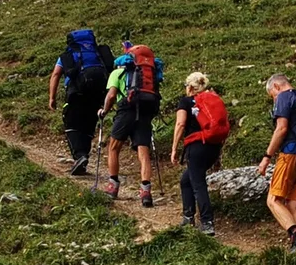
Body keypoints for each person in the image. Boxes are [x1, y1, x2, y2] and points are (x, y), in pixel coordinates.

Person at [255, 74, 296, 253]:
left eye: (272, 94)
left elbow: (281, 128)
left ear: (277, 86)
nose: (273, 99)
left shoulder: (283, 97)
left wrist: (267, 157)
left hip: (291, 153)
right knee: (293, 203)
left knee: (273, 200)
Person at [99, 45, 161, 205]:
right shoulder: (149, 75)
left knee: (114, 147)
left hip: (126, 110)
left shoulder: (118, 73)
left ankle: (113, 186)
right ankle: (146, 192)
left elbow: (112, 95)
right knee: (143, 151)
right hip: (146, 112)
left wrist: (104, 111)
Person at [168, 70, 224, 236]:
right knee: (186, 180)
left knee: (197, 183)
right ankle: (188, 216)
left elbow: (180, 124)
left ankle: (207, 222)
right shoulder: (212, 99)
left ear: (191, 87)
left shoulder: (186, 102)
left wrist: (174, 148)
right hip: (213, 146)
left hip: (195, 146)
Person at [46, 29, 109, 175]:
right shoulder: (97, 54)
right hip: (98, 93)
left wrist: (52, 98)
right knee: (88, 125)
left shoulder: (68, 55)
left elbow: (56, 74)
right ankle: (84, 156)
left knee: (72, 124)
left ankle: (80, 156)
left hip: (76, 92)